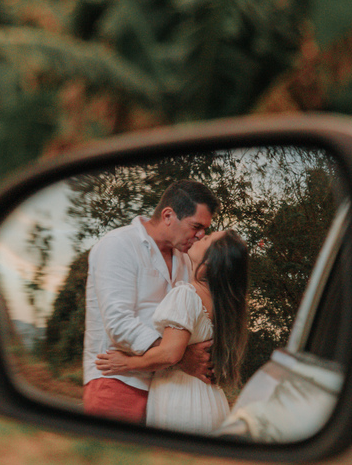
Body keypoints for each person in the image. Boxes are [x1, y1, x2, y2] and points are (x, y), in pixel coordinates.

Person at [82, 180, 218, 423]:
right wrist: (178, 355)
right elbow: (119, 324)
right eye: (196, 226)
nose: (200, 236)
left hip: (166, 389)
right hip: (118, 380)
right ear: (168, 215)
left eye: (204, 230)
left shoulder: (187, 260)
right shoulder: (119, 245)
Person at [96, 229, 249, 434]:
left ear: (212, 261)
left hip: (182, 402)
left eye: (206, 239)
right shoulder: (222, 306)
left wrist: (127, 363)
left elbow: (170, 353)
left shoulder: (186, 294)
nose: (199, 237)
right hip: (211, 401)